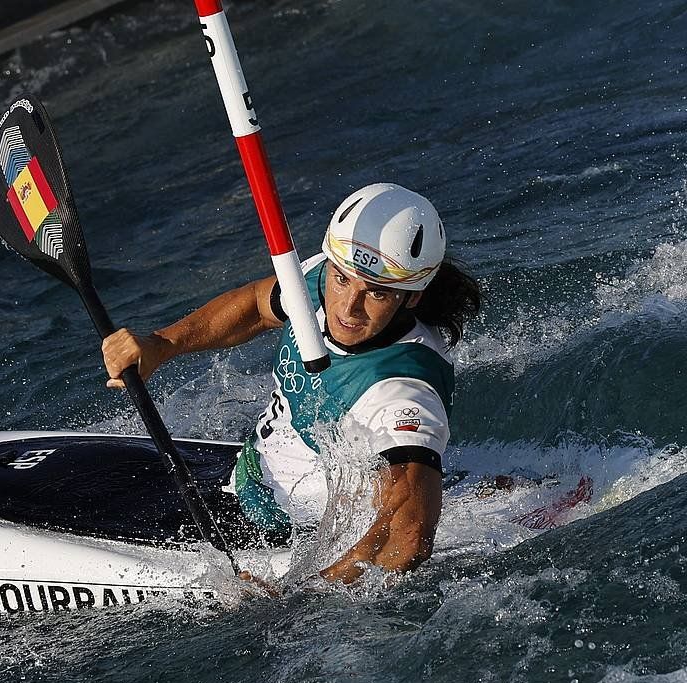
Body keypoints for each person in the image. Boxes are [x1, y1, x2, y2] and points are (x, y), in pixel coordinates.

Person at [101, 183, 481, 584]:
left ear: (412, 297)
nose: (348, 307)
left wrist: (301, 597)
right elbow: (255, 306)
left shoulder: (402, 389)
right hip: (245, 479)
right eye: (342, 280)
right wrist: (161, 345)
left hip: (289, 534)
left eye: (377, 294)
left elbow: (408, 537)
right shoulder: (325, 276)